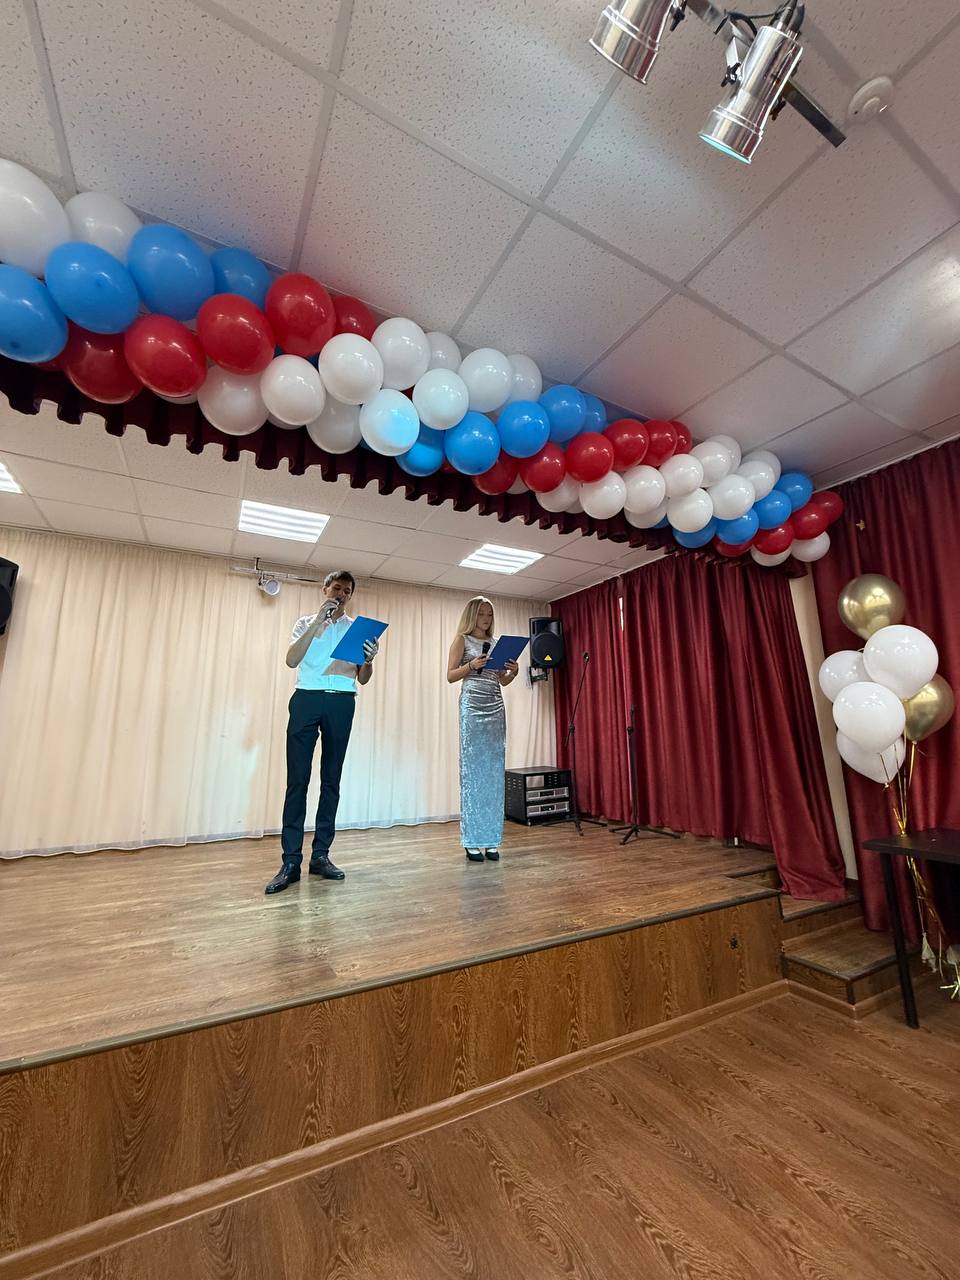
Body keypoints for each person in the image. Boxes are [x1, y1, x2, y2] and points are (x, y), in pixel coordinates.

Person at [265, 570, 379, 895]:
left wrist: (369, 660)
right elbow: (291, 660)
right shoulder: (305, 623)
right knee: (297, 781)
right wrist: (318, 622)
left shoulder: (357, 630)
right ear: (324, 589)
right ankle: (290, 862)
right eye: (336, 588)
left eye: (347, 591)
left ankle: (320, 856)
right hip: (307, 699)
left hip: (342, 701)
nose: (341, 594)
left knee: (331, 780)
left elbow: (364, 677)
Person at [447, 596, 519, 863]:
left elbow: (503, 680)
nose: (486, 619)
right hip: (472, 705)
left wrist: (513, 672)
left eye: (489, 614)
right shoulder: (462, 640)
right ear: (471, 616)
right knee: (473, 772)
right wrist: (470, 665)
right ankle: (472, 841)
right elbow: (450, 675)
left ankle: (491, 840)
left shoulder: (498, 643)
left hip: (495, 704)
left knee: (493, 772)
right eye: (481, 614)